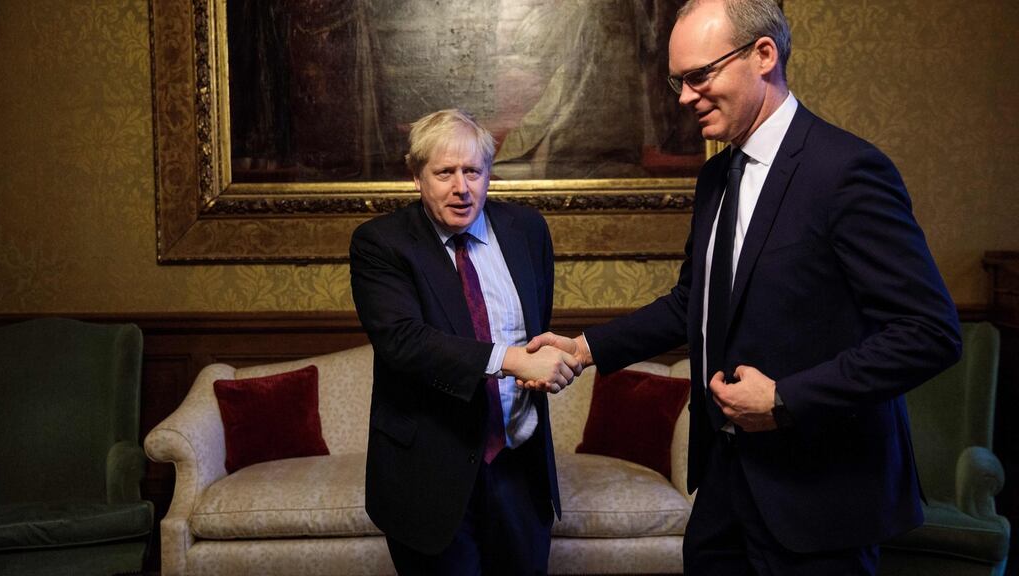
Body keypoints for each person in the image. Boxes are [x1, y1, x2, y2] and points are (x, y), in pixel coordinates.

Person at [524, 1, 962, 574]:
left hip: (820, 501)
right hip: (727, 490)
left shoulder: (846, 170)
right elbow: (694, 302)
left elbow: (930, 333)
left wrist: (785, 398)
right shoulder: (715, 176)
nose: (683, 97)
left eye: (699, 76)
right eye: (678, 80)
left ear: (763, 55)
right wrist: (584, 350)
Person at [350, 108, 579, 574]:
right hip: (430, 474)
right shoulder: (381, 244)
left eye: (473, 171)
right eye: (445, 172)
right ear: (416, 177)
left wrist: (541, 361)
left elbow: (536, 329)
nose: (462, 187)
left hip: (519, 466)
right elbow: (403, 341)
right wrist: (512, 361)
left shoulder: (527, 230)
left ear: (488, 174)